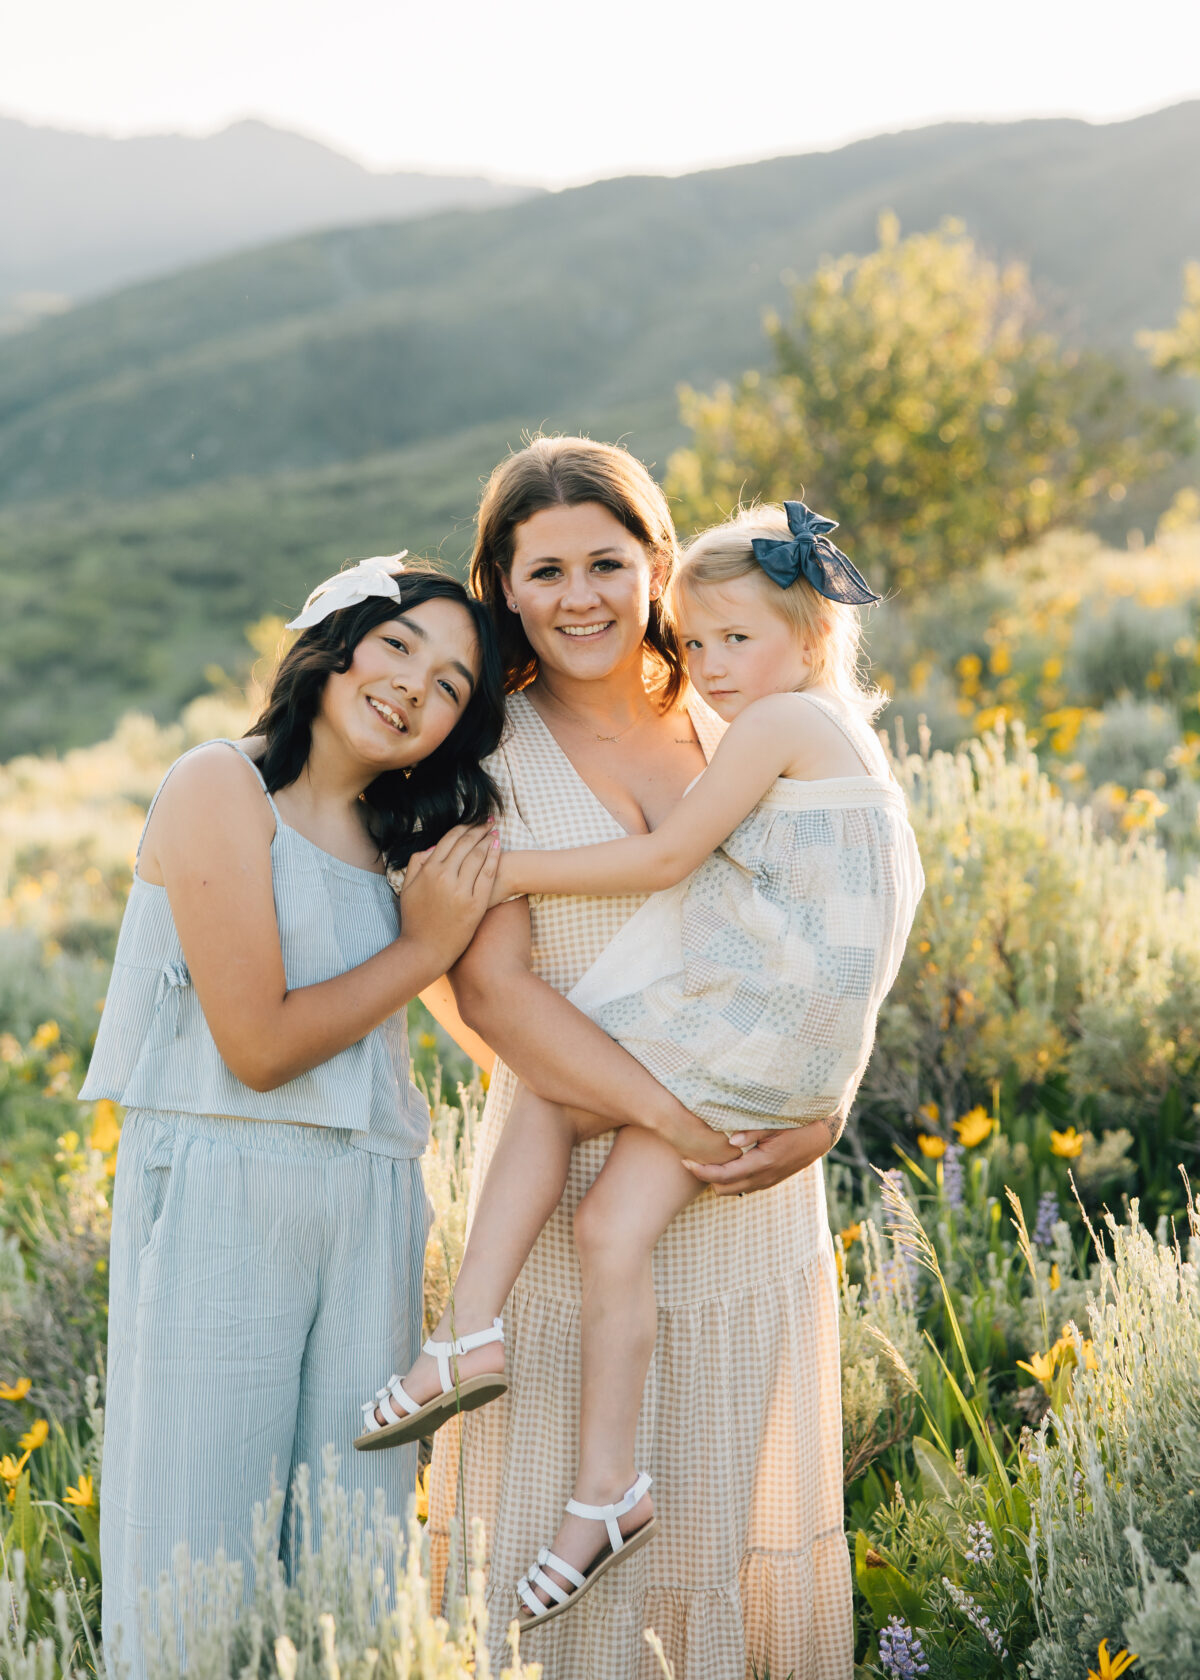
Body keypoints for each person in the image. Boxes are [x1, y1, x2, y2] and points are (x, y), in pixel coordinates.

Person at [359, 498, 922, 1627]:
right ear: (503, 586)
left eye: (609, 565)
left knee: (559, 1117)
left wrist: (503, 873)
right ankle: (592, 1475)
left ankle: (480, 1340)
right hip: (739, 1077)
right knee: (591, 1193)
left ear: (653, 572)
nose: (582, 596)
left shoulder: (749, 721)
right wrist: (808, 1073)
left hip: (751, 1138)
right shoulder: (504, 742)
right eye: (547, 569)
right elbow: (491, 998)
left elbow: (676, 859)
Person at [82, 558, 505, 1679]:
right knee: (195, 1557)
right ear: (339, 638)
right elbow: (258, 1048)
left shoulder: (404, 845)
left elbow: (489, 1038)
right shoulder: (219, 785)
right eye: (401, 646)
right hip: (226, 1186)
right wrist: (423, 949)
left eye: (454, 686)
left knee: (351, 1566)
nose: (418, 687)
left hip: (369, 1204)